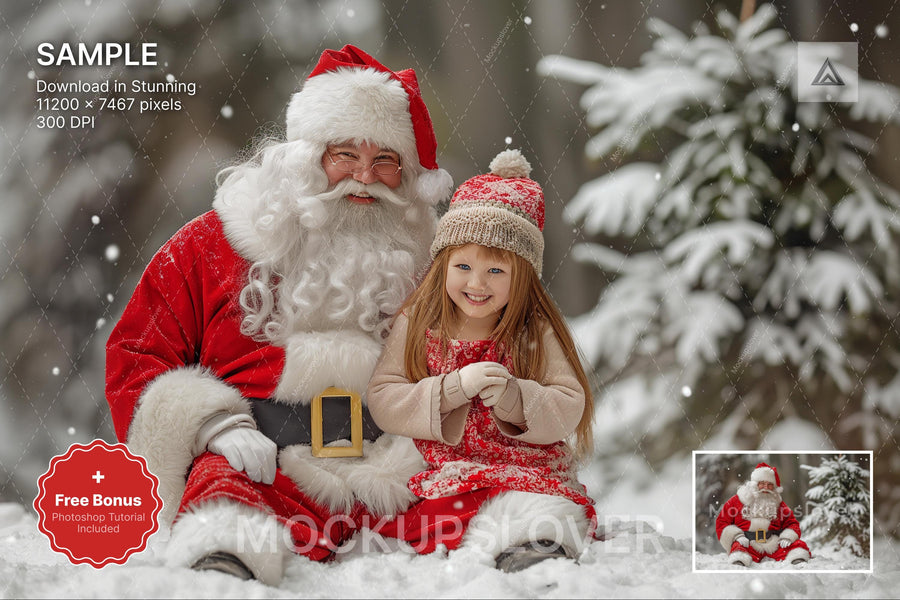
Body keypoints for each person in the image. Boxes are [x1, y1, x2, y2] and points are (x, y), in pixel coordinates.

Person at [105, 45, 453, 585]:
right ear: (306, 157)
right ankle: (223, 566)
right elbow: (136, 355)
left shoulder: (435, 258)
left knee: (494, 493)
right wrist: (211, 425)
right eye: (344, 155)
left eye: (385, 160)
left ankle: (529, 546)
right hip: (266, 467)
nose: (362, 177)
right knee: (225, 499)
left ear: (407, 177)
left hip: (399, 469)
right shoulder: (211, 244)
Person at [366, 149, 597, 572]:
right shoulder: (420, 322)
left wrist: (513, 397)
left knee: (535, 506)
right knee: (438, 514)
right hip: (448, 468)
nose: (476, 283)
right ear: (443, 264)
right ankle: (484, 543)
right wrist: (451, 389)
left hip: (522, 465)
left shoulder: (532, 332)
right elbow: (383, 396)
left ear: (522, 276)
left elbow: (569, 402)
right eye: (464, 266)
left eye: (495, 272)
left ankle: (531, 547)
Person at [715, 462, 812, 566]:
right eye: (762, 483)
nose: (765, 487)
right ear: (754, 484)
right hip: (747, 543)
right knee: (739, 547)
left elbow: (792, 523)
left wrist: (787, 536)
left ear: (774, 488)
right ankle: (739, 562)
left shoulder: (778, 504)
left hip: (773, 544)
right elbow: (722, 522)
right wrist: (737, 536)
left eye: (770, 485)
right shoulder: (737, 500)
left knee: (796, 545)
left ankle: (797, 558)